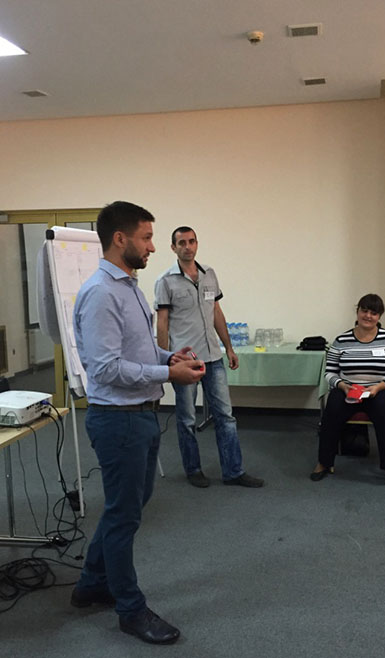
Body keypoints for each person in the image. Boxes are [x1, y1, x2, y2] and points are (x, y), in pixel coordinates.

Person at [71, 201, 205, 645]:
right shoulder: (101, 294)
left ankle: (91, 584)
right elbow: (106, 369)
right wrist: (168, 373)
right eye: (146, 238)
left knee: (126, 507)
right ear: (120, 239)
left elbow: (138, 348)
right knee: (124, 516)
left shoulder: (128, 286)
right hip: (119, 421)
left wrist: (169, 357)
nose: (152, 247)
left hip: (140, 416)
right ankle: (130, 610)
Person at [154, 226, 263, 488]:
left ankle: (233, 471)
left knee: (225, 416)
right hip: (185, 361)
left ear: (197, 244)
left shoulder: (209, 274)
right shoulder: (165, 281)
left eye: (191, 241)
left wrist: (229, 348)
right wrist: (165, 360)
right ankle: (193, 469)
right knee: (187, 419)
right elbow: (162, 323)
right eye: (182, 243)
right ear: (173, 248)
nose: (187, 247)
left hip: (213, 357)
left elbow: (216, 312)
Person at [310, 294, 385, 491]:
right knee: (331, 412)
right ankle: (324, 462)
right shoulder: (341, 340)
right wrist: (342, 386)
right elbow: (330, 372)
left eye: (374, 313)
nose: (368, 316)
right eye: (365, 311)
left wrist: (379, 387)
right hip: (348, 389)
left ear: (379, 316)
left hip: (381, 390)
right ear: (357, 312)